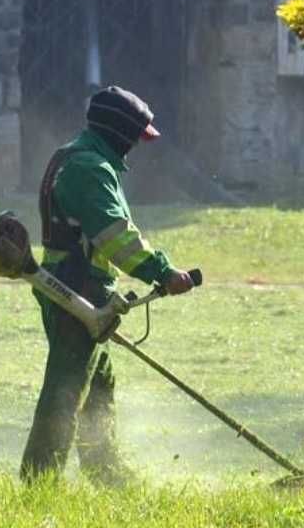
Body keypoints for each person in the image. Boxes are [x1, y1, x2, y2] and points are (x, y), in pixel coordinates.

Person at [21, 85, 194, 486]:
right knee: (66, 388)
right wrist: (162, 271)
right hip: (77, 289)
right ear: (119, 132)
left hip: (80, 288)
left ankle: (107, 473)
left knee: (98, 385)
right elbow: (115, 236)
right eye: (135, 136)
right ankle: (38, 482)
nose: (136, 145)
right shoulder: (89, 169)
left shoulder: (77, 156)